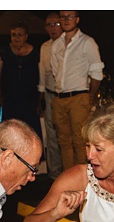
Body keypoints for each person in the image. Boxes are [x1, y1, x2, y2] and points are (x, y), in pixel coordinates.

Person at [45, 12, 102, 169]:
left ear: (77, 19)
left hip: (79, 96)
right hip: (59, 98)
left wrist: (90, 96)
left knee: (80, 140)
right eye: (63, 17)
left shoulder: (87, 42)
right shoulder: (56, 44)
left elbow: (96, 72)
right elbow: (56, 71)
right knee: (63, 141)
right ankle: (69, 176)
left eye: (70, 16)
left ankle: (83, 178)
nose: (66, 20)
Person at [0, 24, 39, 139]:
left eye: (20, 34)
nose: (17, 38)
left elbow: (41, 77)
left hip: (30, 102)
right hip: (10, 101)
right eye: (14, 34)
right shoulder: (3, 52)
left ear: (26, 36)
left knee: (30, 134)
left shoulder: (36, 53)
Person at [37, 14, 64, 177]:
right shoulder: (45, 47)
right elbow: (42, 72)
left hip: (66, 96)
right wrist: (40, 97)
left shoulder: (70, 45)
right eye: (49, 25)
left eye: (56, 24)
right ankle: (55, 174)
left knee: (66, 137)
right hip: (49, 95)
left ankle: (70, 171)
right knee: (52, 137)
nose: (53, 28)